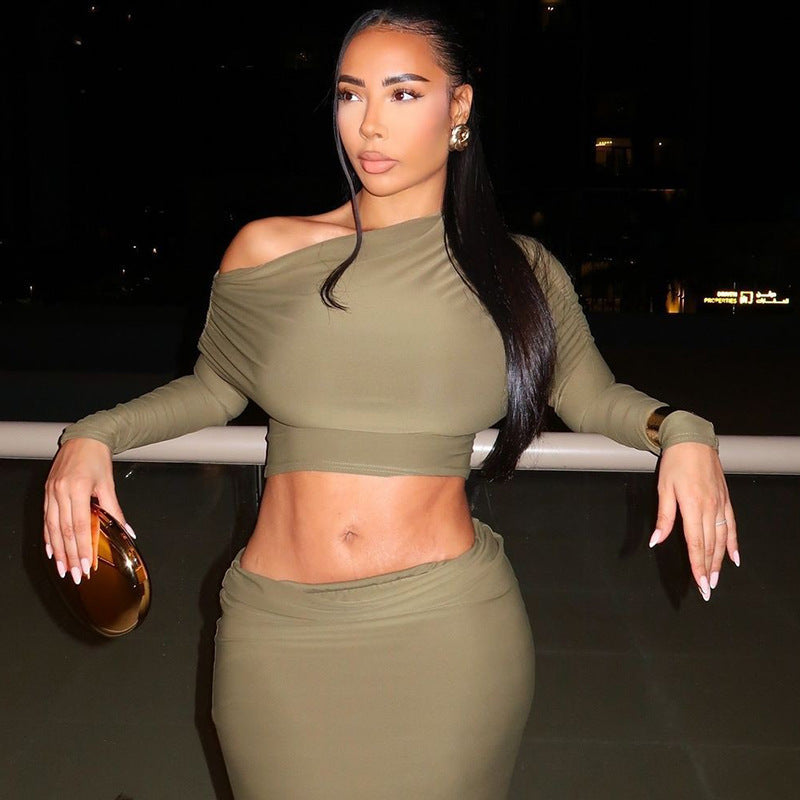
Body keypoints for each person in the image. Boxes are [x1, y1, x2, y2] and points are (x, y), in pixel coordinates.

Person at [43, 7, 740, 799]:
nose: (369, 124)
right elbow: (214, 388)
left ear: (459, 107)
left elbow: (591, 395)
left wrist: (681, 430)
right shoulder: (266, 249)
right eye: (351, 94)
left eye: (403, 94)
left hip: (446, 631)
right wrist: (93, 436)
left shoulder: (516, 273)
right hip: (276, 631)